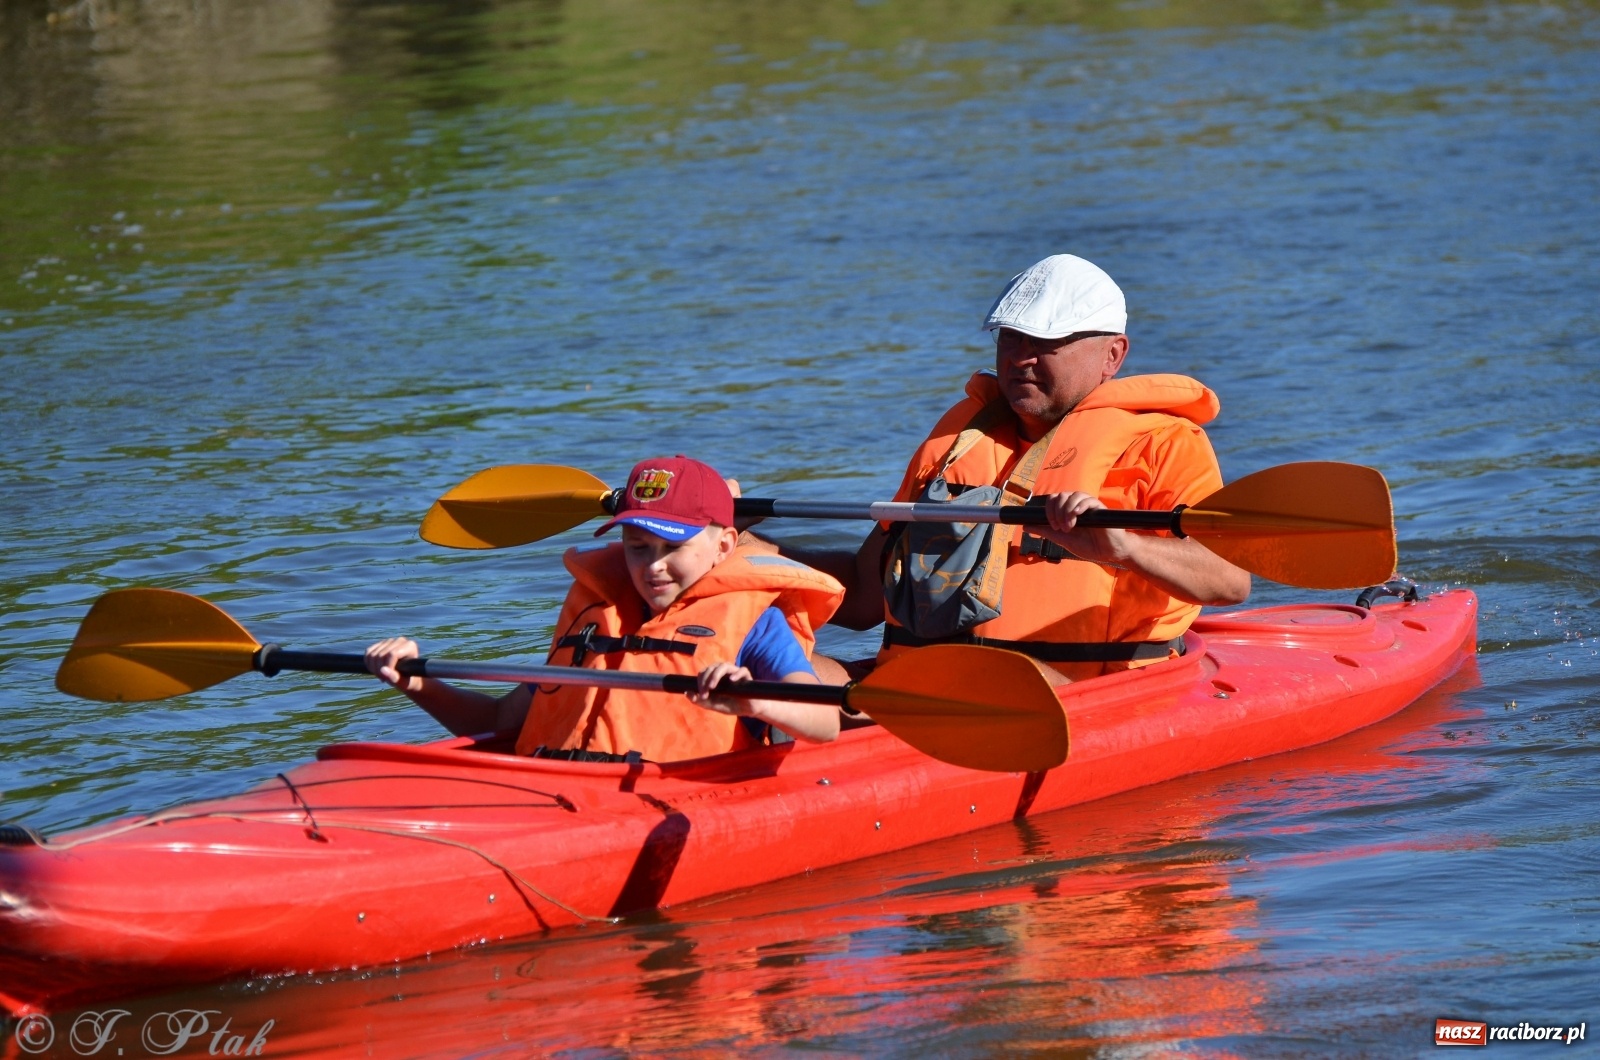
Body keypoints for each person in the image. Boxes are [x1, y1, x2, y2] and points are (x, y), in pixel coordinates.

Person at [751, 254, 1250, 685]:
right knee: (740, 660)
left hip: (1081, 689)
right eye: (1010, 339)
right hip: (919, 683)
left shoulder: (1166, 445)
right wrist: (749, 553)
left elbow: (1230, 581)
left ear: (1113, 355)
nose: (1020, 359)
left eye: (1046, 342)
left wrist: (1125, 546)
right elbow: (862, 597)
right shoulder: (956, 441)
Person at [366, 455, 845, 761]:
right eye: (638, 547)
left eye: (671, 547)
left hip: (681, 799)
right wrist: (416, 683)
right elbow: (496, 724)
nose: (652, 567)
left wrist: (755, 700)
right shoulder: (597, 614)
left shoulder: (756, 623)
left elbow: (823, 722)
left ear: (724, 547)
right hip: (563, 797)